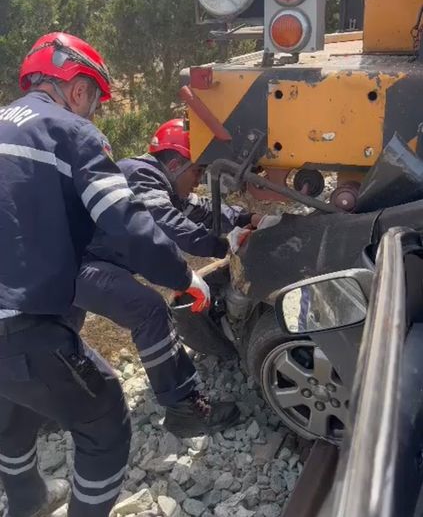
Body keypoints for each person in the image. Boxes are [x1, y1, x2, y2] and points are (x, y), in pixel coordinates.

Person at [0, 32, 219, 517]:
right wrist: (183, 276)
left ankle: (27, 499)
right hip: (20, 321)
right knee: (105, 422)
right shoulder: (70, 132)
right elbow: (126, 221)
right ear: (78, 89)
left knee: (13, 405)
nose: (94, 113)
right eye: (95, 101)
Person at [72, 119, 258, 437]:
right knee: (148, 309)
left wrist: (246, 218)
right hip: (78, 264)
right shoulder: (139, 174)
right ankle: (184, 409)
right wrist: (224, 245)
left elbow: (201, 209)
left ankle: (45, 409)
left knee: (56, 335)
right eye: (197, 171)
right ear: (174, 165)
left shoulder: (157, 181)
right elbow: (169, 223)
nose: (198, 181)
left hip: (70, 262)